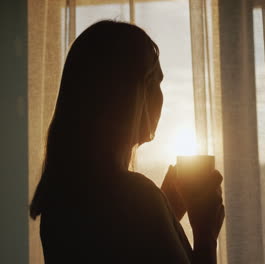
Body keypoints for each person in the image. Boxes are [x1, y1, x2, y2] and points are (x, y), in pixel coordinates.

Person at [29, 20, 225, 263]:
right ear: (133, 93)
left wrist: (167, 211)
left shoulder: (60, 204)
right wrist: (206, 233)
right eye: (156, 83)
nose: (161, 97)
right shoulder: (137, 196)